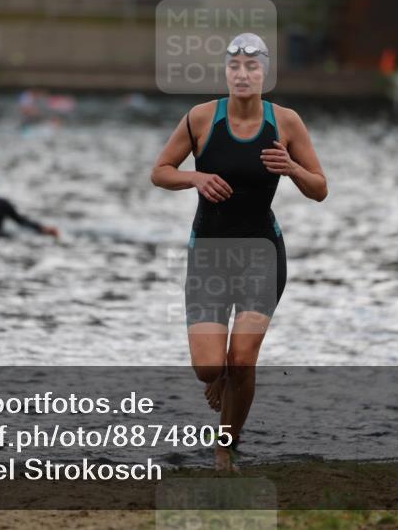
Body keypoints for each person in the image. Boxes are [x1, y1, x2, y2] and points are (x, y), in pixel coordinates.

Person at [151, 32, 327, 471]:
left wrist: (293, 169)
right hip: (209, 253)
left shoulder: (285, 122)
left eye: (251, 67)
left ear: (264, 72)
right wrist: (195, 178)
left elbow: (320, 189)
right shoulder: (200, 119)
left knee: (243, 358)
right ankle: (224, 377)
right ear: (226, 72)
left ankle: (226, 446)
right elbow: (159, 171)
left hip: (261, 253)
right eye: (234, 67)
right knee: (210, 368)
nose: (243, 74)